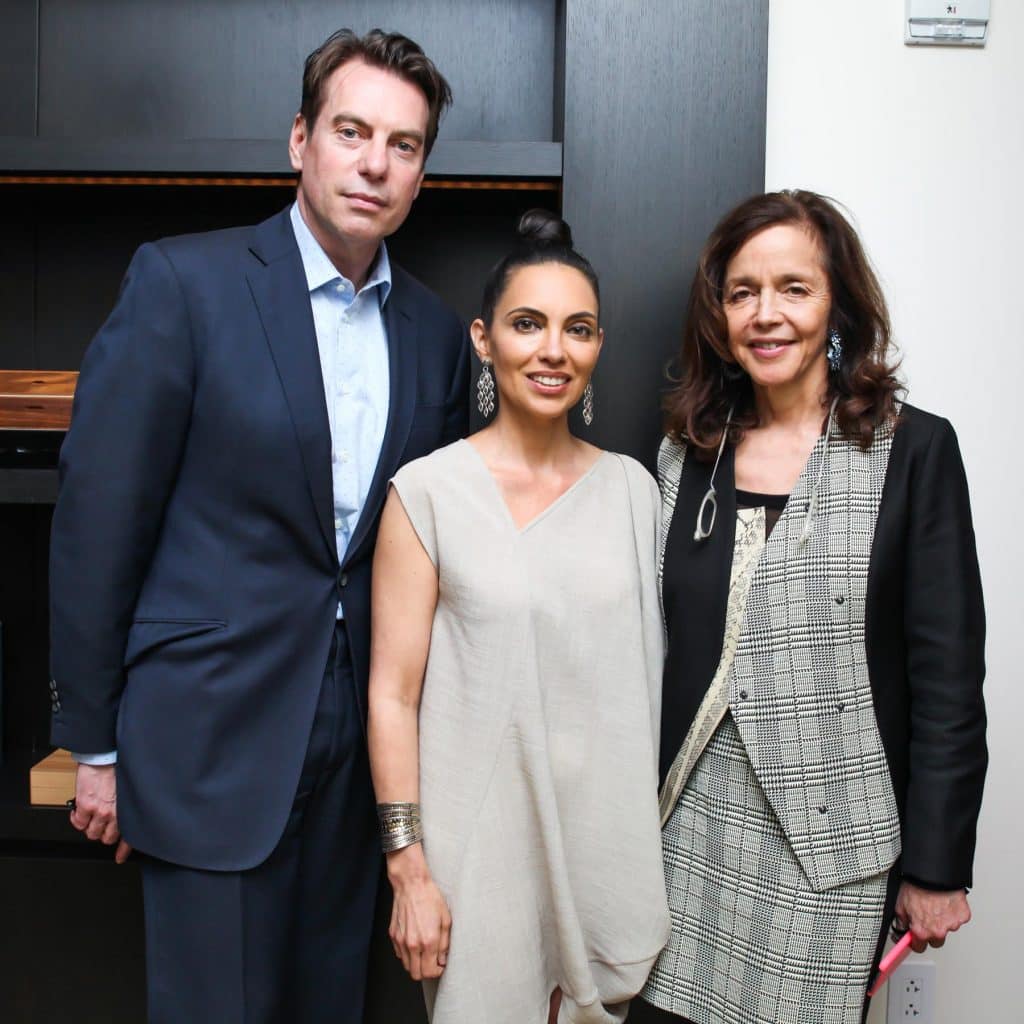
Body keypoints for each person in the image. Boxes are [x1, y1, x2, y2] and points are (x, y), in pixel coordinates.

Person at [48, 28, 468, 1024]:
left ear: (419, 172)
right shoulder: (183, 284)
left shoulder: (437, 335)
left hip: (356, 765)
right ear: (300, 141)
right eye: (352, 131)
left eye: (402, 145)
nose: (374, 162)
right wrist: (93, 747)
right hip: (204, 741)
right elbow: (100, 519)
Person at [634, 190, 987, 1024]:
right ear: (718, 315)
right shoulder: (686, 457)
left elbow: (946, 675)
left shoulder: (914, 450)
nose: (766, 314)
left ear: (838, 304)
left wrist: (935, 867)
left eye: (794, 288)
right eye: (742, 291)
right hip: (681, 827)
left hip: (828, 851)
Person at [365, 210, 670, 1024]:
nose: (553, 350)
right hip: (480, 854)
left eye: (578, 329)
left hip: (606, 848)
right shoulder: (427, 494)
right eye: (527, 325)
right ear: (483, 338)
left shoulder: (637, 494)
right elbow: (392, 696)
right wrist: (410, 870)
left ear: (599, 345)